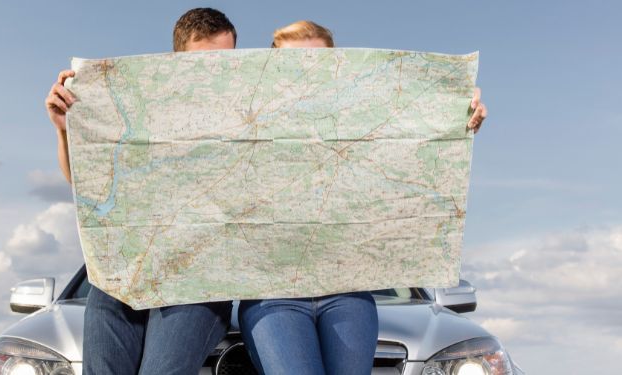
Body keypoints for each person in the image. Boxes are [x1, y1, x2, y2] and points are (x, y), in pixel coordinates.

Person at [237, 20, 488, 375]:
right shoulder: (246, 127)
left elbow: (411, 136)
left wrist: (458, 107)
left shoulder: (361, 128)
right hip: (274, 296)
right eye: (294, 65)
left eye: (320, 65)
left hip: (347, 294)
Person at [44, 8, 237, 375]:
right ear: (174, 61)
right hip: (120, 279)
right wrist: (66, 130)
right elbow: (89, 188)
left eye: (224, 62)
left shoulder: (247, 119)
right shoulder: (137, 110)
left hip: (198, 285)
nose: (213, 74)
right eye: (202, 63)